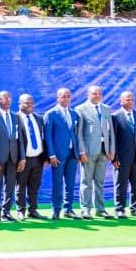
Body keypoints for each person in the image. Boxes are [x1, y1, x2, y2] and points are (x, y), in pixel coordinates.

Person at [75, 85, 116, 219]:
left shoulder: (106, 109)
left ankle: (100, 208)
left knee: (100, 181)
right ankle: (85, 209)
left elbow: (110, 132)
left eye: (99, 93)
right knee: (86, 181)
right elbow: (79, 133)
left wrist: (111, 149)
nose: (97, 95)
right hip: (88, 151)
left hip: (104, 151)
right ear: (88, 94)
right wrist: (82, 152)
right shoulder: (81, 109)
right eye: (94, 93)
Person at [45, 88, 81, 220]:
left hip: (73, 154)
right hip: (58, 155)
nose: (66, 98)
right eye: (63, 96)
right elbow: (48, 136)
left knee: (70, 183)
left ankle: (68, 209)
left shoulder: (74, 114)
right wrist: (51, 155)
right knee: (57, 183)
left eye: (68, 96)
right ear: (57, 98)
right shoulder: (51, 114)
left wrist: (79, 151)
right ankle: (56, 209)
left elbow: (76, 133)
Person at [0, 90, 23, 222]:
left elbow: (20, 140)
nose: (7, 100)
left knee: (10, 186)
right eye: (4, 98)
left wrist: (22, 158)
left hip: (13, 158)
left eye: (9, 98)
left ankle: (6, 211)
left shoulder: (16, 117)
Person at [16, 94, 48, 220]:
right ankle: (20, 210)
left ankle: (33, 210)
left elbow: (43, 138)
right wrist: (20, 158)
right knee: (21, 186)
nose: (30, 105)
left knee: (35, 186)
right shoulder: (15, 118)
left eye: (31, 103)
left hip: (38, 158)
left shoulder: (38, 118)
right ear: (20, 104)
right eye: (26, 103)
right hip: (23, 159)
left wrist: (45, 157)